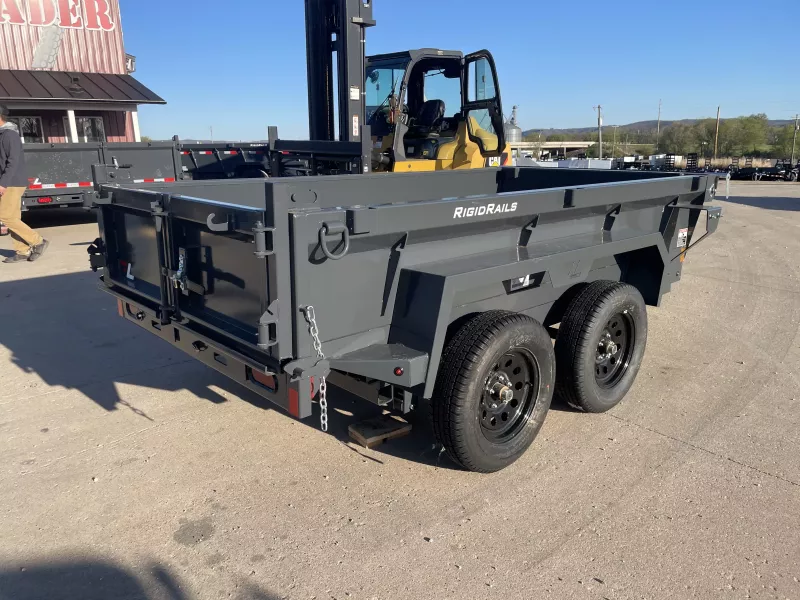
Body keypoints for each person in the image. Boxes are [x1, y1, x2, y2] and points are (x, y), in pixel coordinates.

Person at [0, 104, 48, 263]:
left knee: (5, 217)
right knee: (13, 217)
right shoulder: (2, 134)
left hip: (12, 182)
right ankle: (22, 251)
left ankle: (38, 241)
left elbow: (13, 162)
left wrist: (3, 183)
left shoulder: (9, 135)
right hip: (8, 181)